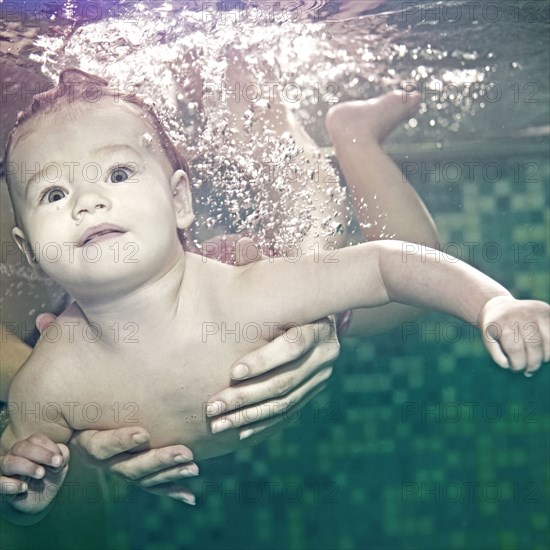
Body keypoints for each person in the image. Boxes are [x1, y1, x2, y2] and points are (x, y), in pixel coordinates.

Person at [1, 68, 548, 523]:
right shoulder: (47, 384)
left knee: (334, 232)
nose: (89, 201)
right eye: (54, 192)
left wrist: (492, 303)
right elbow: (26, 471)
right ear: (29, 249)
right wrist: (29, 498)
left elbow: (386, 264)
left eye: (118, 173)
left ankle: (347, 131)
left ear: (181, 201)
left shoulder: (251, 295)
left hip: (253, 261)